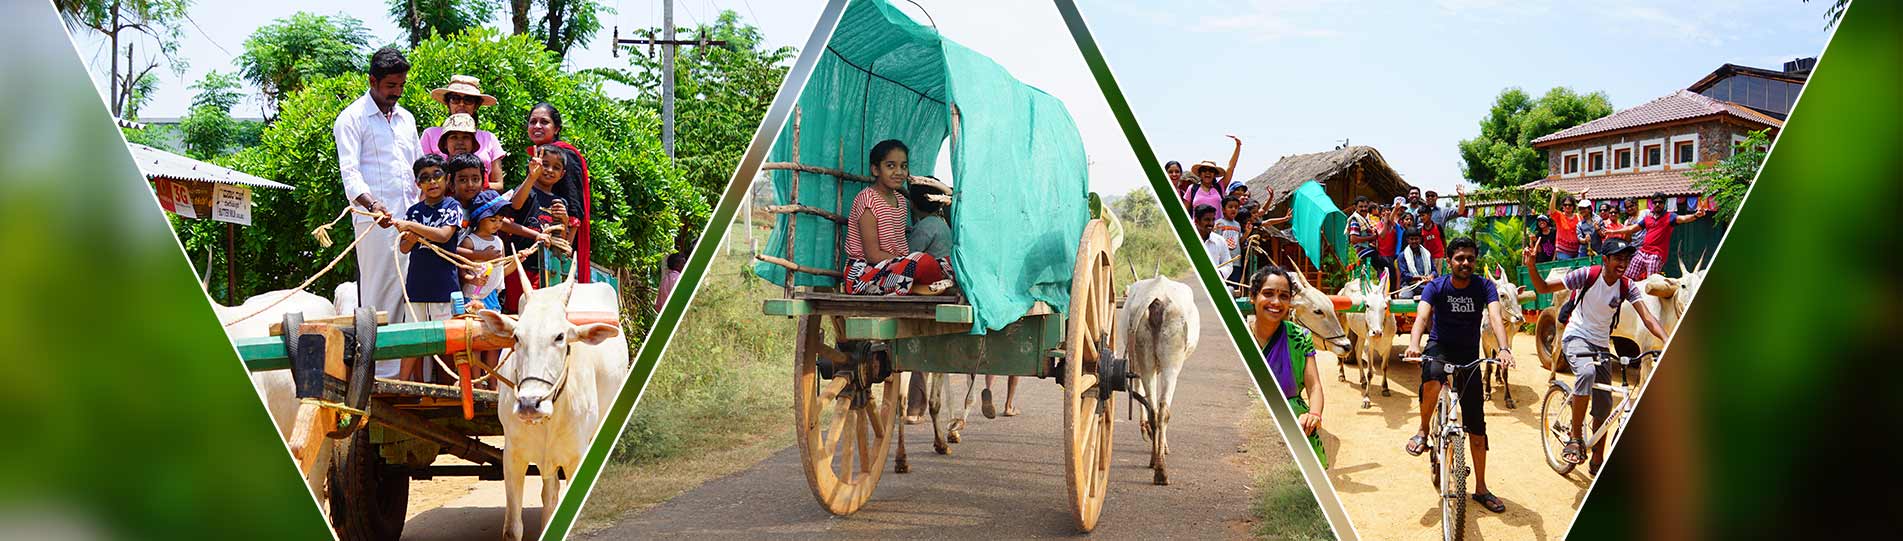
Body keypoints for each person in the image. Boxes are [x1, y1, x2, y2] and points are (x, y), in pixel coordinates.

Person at [1523, 237, 1670, 475]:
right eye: (1618, 258)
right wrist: (1531, 265)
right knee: (1587, 372)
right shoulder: (1587, 275)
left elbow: (1648, 318)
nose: (1623, 263)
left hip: (1602, 344)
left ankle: (1598, 458)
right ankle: (1574, 438)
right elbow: (1543, 288)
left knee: (1604, 405)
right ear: (1606, 259)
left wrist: (1667, 340)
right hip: (1576, 336)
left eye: (1626, 258)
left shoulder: (1627, 286)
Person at [1403, 237, 1515, 513]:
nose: (1465, 263)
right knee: (1431, 377)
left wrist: (1503, 349)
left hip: (1469, 355)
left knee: (1477, 426)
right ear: (1450, 261)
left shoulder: (1484, 286)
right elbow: (1420, 318)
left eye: (1470, 259)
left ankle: (1481, 488)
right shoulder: (1436, 286)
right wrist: (1414, 345)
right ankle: (1423, 429)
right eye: (1460, 258)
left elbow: (1496, 317)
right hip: (1439, 347)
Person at [334, 46, 421, 337]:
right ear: (372, 81)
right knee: (380, 297)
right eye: (390, 86)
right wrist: (373, 206)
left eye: (401, 85)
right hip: (375, 224)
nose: (397, 92)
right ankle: (381, 376)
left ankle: (412, 378)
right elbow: (350, 173)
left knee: (415, 296)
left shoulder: (406, 119)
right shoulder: (352, 118)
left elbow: (418, 168)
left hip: (411, 222)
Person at [843, 140, 953, 296]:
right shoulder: (867, 200)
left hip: (896, 266)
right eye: (890, 166)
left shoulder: (901, 201)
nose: (899, 172)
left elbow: (900, 246)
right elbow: (872, 255)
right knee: (924, 262)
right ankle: (914, 286)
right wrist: (908, 260)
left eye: (904, 166)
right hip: (867, 272)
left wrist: (906, 260)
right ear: (875, 169)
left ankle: (914, 285)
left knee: (947, 264)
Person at [391, 154, 464, 381]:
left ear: (447, 179)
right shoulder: (414, 211)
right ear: (418, 184)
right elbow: (404, 248)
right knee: (413, 340)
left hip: (444, 287)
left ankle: (451, 388)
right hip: (417, 287)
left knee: (449, 340)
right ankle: (404, 387)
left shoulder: (452, 206)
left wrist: (413, 227)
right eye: (425, 178)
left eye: (437, 176)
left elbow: (444, 235)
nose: (432, 182)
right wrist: (411, 237)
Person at [1249, 265, 1327, 468]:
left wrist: (1313, 415)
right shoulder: (1238, 337)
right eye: (1268, 294)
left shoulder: (1300, 337)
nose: (1276, 302)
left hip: (1295, 421)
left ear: (1290, 302)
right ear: (1253, 297)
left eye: (1284, 296)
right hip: (1251, 422)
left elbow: (1314, 386)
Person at [524, 103, 595, 283]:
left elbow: (574, 206)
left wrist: (563, 248)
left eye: (544, 122)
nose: (537, 126)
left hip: (559, 245)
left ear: (556, 129)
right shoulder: (537, 156)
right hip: (538, 243)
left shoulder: (564, 156)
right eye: (533, 122)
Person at [508, 145, 581, 287]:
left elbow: (560, 242)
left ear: (562, 174)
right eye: (545, 165)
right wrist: (531, 177)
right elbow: (515, 205)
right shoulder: (528, 191)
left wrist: (564, 221)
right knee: (517, 307)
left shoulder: (561, 203)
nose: (549, 170)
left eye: (556, 167)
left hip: (547, 268)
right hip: (521, 262)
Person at [421, 75, 508, 190]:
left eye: (468, 100)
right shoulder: (430, 135)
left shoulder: (489, 138)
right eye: (455, 98)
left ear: (476, 105)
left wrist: (471, 186)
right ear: (448, 103)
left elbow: (499, 185)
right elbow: (422, 177)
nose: (461, 104)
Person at [1625, 192, 1709, 280]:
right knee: (1629, 277)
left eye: (1660, 202)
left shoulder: (1647, 213)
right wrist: (1613, 232)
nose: (1630, 208)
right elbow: (1629, 234)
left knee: (1651, 280)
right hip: (1638, 252)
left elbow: (1682, 218)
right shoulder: (1628, 222)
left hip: (1655, 253)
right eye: (1627, 207)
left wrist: (1695, 215)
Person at [1182, 135, 1242, 211]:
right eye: (1204, 170)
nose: (1208, 173)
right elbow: (1184, 210)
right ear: (1200, 173)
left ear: (1215, 174)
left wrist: (1238, 146)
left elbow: (1231, 168)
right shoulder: (1192, 189)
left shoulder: (1220, 187)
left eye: (1211, 170)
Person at [1547, 189, 1589, 260]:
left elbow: (1587, 211)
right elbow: (1552, 209)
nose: (1567, 207)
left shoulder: (1579, 217)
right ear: (1562, 207)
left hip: (1578, 251)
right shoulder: (1559, 216)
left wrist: (1583, 196)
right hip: (1563, 251)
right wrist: (1554, 194)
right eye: (1565, 205)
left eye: (1570, 205)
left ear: (1573, 206)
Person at [1196, 204, 1234, 282]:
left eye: (1213, 219)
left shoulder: (1220, 240)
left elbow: (1228, 265)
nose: (1211, 223)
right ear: (1196, 221)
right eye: (1207, 220)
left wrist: (1220, 274)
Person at [1417, 205, 1447, 270]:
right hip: (1427, 258)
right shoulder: (1420, 230)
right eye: (1420, 216)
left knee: (1438, 277)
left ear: (1429, 215)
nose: (1421, 218)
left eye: (1423, 215)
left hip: (1438, 256)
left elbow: (1443, 241)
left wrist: (1446, 255)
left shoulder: (1438, 227)